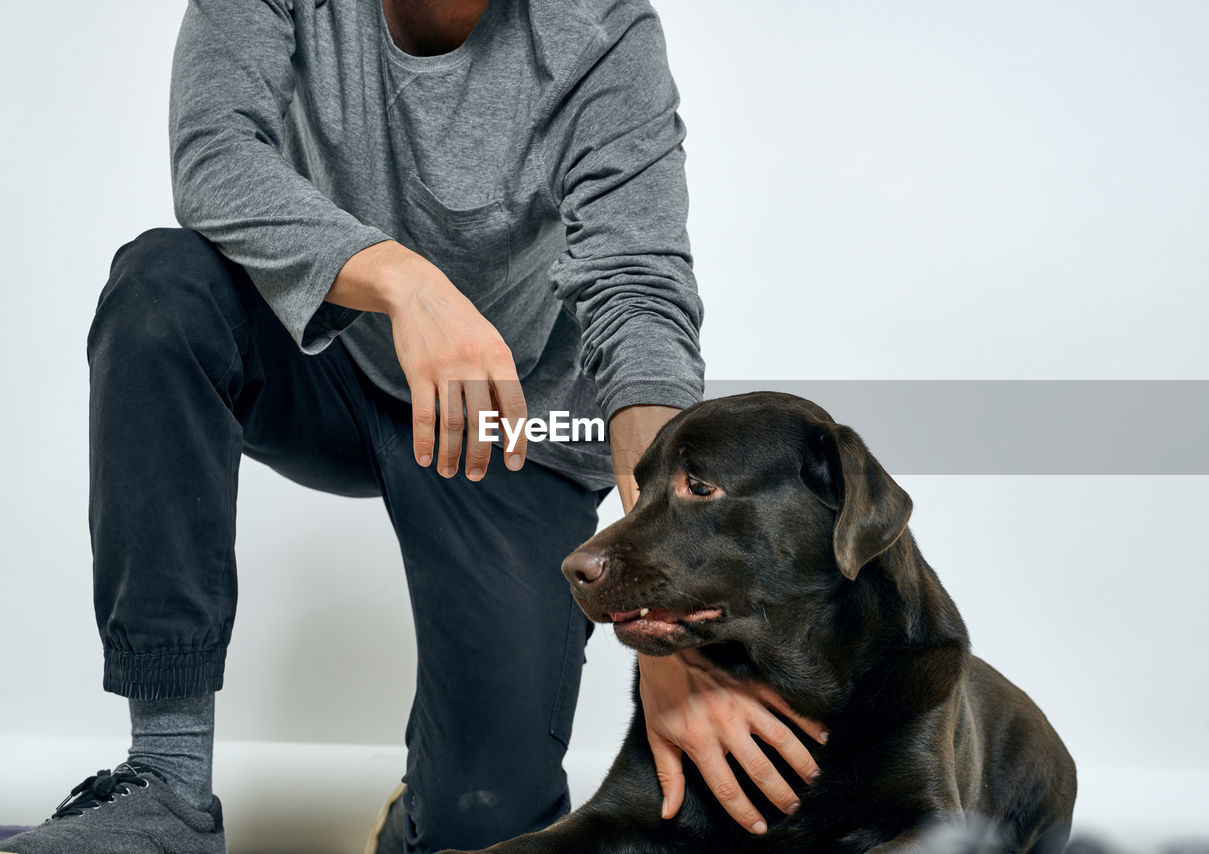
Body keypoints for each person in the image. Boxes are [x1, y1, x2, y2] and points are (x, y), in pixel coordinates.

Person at [2, 1, 824, 852]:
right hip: (326, 364)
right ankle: (164, 788)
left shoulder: (600, 25)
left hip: (516, 427)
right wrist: (405, 283)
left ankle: (422, 816)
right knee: (160, 288)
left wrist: (661, 606)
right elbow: (214, 157)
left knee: (487, 822)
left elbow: (639, 295)